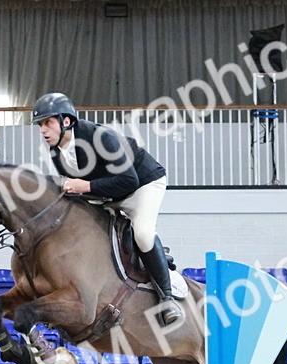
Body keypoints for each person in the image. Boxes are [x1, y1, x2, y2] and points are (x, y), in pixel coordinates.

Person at [31, 92, 183, 325]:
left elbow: (128, 180)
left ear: (66, 121)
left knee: (142, 233)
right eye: (40, 124)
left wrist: (86, 186)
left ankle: (167, 297)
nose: (43, 130)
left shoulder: (100, 138)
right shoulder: (55, 151)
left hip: (142, 185)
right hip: (107, 192)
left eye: (48, 122)